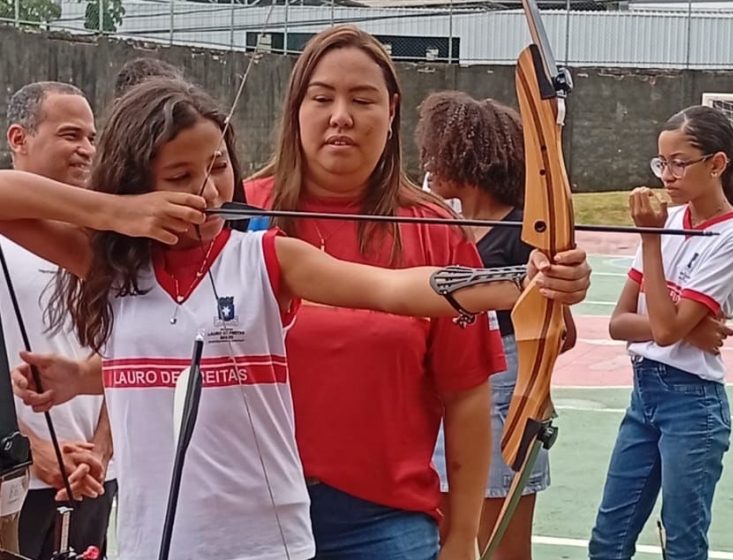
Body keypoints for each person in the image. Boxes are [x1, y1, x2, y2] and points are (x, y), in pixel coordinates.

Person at [7, 77, 589, 560]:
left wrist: (524, 282)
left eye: (216, 168)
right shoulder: (112, 266)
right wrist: (116, 213)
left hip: (266, 542)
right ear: (139, 185)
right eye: (179, 178)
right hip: (151, 539)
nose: (208, 192)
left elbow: (393, 288)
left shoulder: (264, 256)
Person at [243, 25, 590, 559]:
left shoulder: (430, 227)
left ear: (392, 112)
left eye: (363, 99)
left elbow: (467, 392)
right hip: (243, 511)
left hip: (382, 521)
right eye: (322, 97)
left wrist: (460, 536)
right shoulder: (237, 215)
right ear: (296, 108)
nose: (341, 116)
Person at [588, 105, 733, 559]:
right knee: (609, 539)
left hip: (692, 404)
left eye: (680, 162)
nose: (667, 174)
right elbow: (618, 321)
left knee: (682, 541)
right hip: (644, 394)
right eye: (662, 162)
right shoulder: (673, 222)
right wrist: (688, 328)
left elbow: (663, 330)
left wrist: (650, 239)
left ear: (716, 164)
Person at [415, 90, 574, 559]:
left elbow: (560, 333)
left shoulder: (526, 231)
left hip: (503, 393)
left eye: (435, 154)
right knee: (445, 537)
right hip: (446, 390)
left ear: (465, 159)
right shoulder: (443, 225)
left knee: (500, 543)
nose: (428, 165)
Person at [1, 81, 117, 560]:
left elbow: (130, 353)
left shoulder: (107, 246)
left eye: (92, 137)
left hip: (93, 479)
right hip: (15, 480)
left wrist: (102, 451)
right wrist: (35, 453)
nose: (86, 149)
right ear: (19, 139)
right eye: (70, 135)